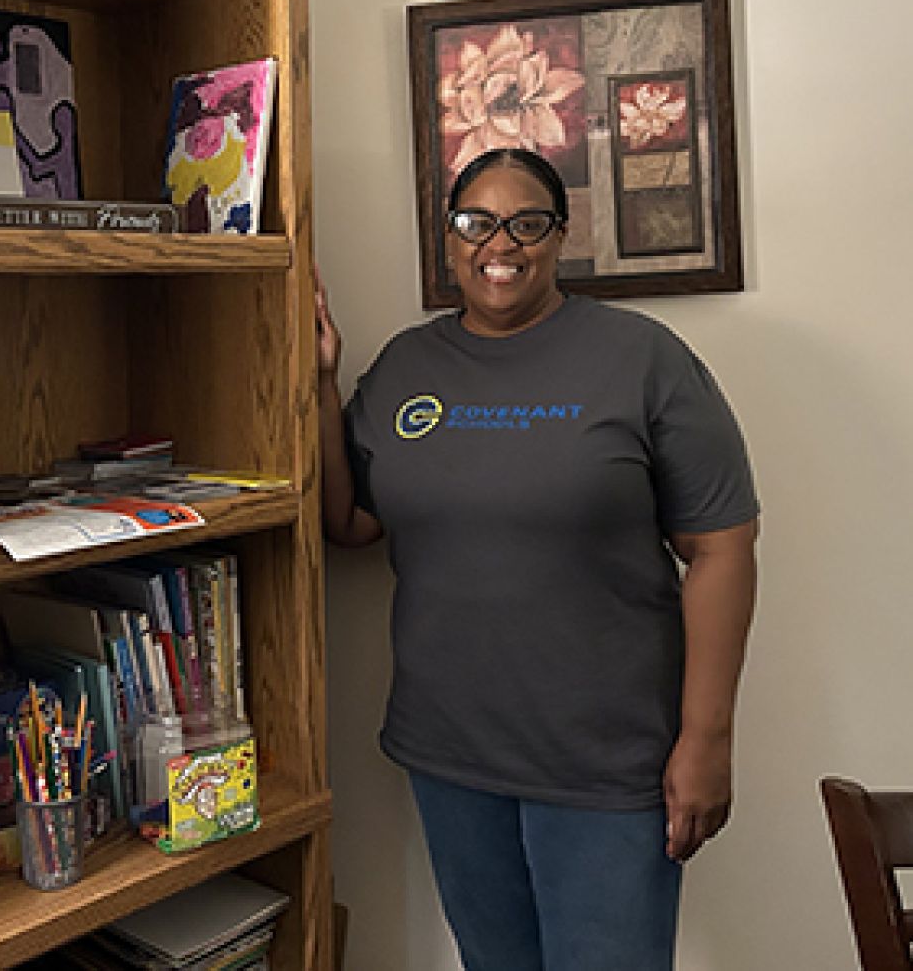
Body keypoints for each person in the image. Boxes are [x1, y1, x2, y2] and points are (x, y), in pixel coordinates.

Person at [316, 146, 758, 971]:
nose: (501, 244)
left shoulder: (641, 357)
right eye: (476, 222)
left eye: (527, 223)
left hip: (606, 761)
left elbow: (722, 547)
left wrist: (706, 738)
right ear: (449, 239)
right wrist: (319, 380)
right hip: (451, 753)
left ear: (561, 236)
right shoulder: (407, 367)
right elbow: (348, 523)